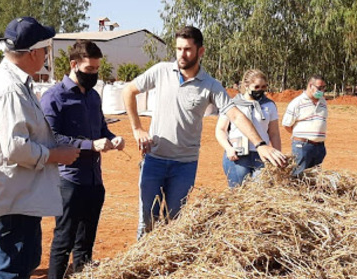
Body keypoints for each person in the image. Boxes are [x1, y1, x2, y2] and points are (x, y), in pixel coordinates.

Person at [122, 26, 287, 239]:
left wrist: (261, 144)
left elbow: (235, 115)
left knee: (175, 220)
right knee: (147, 220)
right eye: (179, 48)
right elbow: (129, 91)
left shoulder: (211, 85)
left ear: (201, 51)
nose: (182, 54)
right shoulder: (160, 71)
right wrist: (137, 129)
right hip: (154, 159)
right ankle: (141, 267)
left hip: (185, 164)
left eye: (188, 49)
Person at [0, 17, 80, 279]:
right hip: (15, 192)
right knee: (13, 266)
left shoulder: (13, 83)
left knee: (25, 259)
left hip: (20, 191)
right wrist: (56, 155)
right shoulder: (9, 89)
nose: (47, 56)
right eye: (45, 50)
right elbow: (16, 147)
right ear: (33, 52)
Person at [40, 40, 125, 279]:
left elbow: (101, 128)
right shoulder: (54, 97)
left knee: (86, 240)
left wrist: (112, 139)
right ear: (73, 65)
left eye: (97, 70)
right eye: (89, 70)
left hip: (93, 179)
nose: (94, 75)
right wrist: (91, 145)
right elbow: (52, 138)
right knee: (64, 237)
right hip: (68, 180)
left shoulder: (94, 97)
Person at [216, 69, 282, 187]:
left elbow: (274, 133)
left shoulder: (269, 105)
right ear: (246, 85)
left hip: (262, 157)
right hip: (237, 157)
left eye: (263, 87)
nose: (260, 90)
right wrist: (228, 148)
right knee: (238, 194)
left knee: (262, 194)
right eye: (256, 87)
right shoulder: (232, 104)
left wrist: (277, 155)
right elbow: (220, 130)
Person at [282, 75, 328, 176]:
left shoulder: (323, 102)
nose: (322, 91)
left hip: (319, 147)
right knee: (298, 175)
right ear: (310, 86)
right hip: (302, 147)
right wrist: (300, 136)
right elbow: (287, 125)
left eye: (324, 88)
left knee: (314, 177)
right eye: (319, 88)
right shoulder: (297, 102)